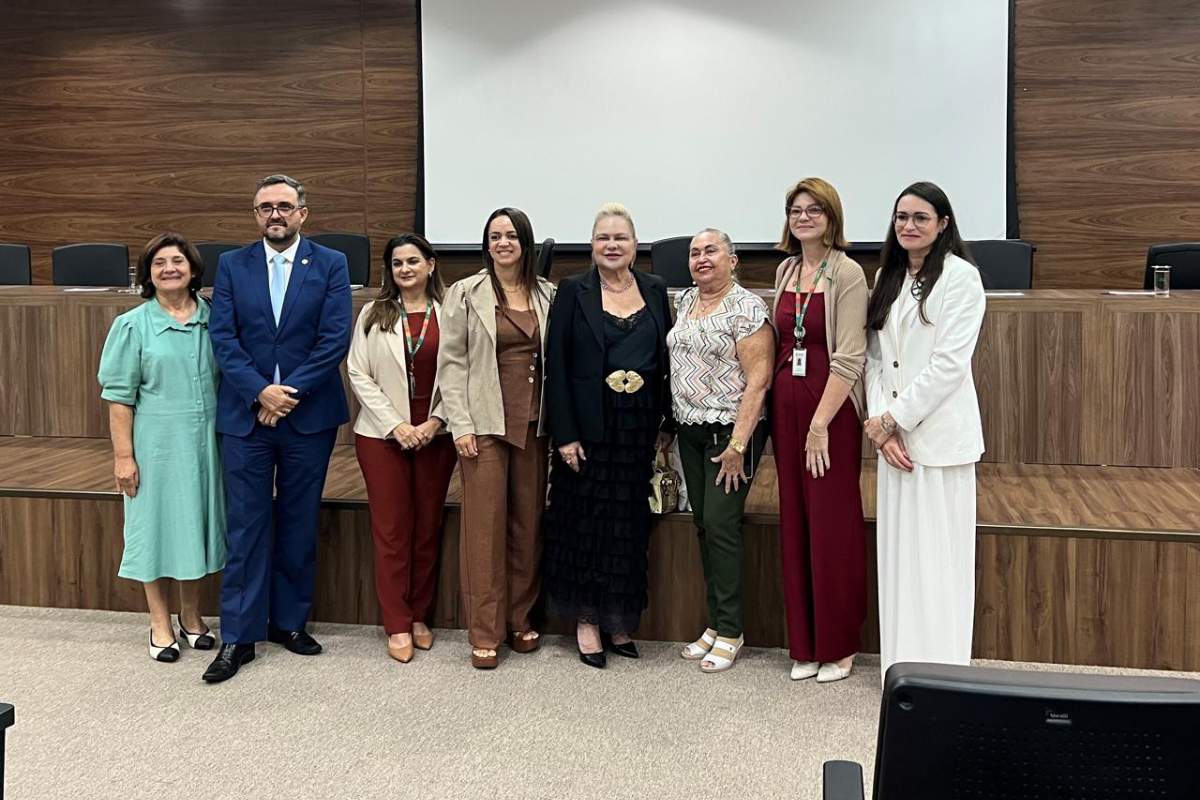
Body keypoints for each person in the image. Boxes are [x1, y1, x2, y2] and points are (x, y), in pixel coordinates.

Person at [203, 174, 353, 683]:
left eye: (284, 206)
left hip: (306, 416)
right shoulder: (231, 264)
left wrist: (286, 394)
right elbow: (223, 337)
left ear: (302, 214)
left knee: (297, 521)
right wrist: (258, 391)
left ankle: (289, 623)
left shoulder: (331, 263)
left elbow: (334, 339)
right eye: (265, 207)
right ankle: (238, 637)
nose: (275, 214)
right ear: (255, 214)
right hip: (246, 417)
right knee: (245, 527)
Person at [542, 203, 674, 669]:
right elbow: (556, 367)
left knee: (626, 527)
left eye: (620, 237)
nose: (612, 245)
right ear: (592, 245)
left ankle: (618, 617)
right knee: (584, 525)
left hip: (638, 427)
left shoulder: (656, 289)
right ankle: (585, 618)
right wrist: (565, 434)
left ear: (635, 245)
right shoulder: (573, 290)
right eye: (603, 238)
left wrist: (667, 422)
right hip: (587, 427)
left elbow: (668, 361)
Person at [864, 181, 986, 681]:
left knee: (938, 562)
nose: (908, 226)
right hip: (893, 443)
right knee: (900, 561)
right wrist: (880, 427)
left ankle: (943, 672)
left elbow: (949, 366)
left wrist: (895, 419)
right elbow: (874, 360)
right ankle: (902, 667)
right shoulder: (887, 277)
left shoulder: (961, 278)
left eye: (919, 217)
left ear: (943, 224)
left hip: (936, 441)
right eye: (901, 218)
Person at [97, 233, 225, 662]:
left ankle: (191, 614)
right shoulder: (132, 325)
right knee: (153, 530)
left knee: (194, 528)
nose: (169, 268)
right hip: (155, 446)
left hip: (206, 445)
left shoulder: (215, 318)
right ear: (148, 274)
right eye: (159, 263)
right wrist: (123, 457)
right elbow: (118, 398)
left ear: (193, 270)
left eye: (177, 261)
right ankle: (158, 621)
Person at [437, 207, 556, 669]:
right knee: (484, 531)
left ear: (525, 242)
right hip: (483, 425)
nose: (503, 242)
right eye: (494, 236)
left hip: (533, 425)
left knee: (528, 526)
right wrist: (460, 425)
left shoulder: (548, 293)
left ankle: (519, 619)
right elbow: (451, 364)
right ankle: (485, 631)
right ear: (486, 244)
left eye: (511, 235)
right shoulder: (465, 293)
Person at [770, 178, 868, 684]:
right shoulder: (787, 268)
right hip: (787, 410)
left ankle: (839, 644)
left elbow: (850, 358)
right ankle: (805, 643)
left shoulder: (847, 272)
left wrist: (819, 425)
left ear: (832, 217)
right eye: (795, 209)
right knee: (795, 523)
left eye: (814, 210)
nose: (803, 217)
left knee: (833, 525)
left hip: (828, 415)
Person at [669, 229, 773, 673]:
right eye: (694, 253)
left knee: (720, 523)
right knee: (702, 525)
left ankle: (731, 629)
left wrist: (737, 445)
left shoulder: (747, 307)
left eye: (711, 251)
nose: (701, 258)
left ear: (733, 260)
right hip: (689, 430)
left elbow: (760, 380)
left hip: (731, 432)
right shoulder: (684, 302)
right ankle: (714, 623)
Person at [348, 234, 456, 664]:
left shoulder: (451, 312)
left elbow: (463, 373)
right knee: (392, 530)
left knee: (427, 526)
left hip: (437, 434)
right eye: (397, 263)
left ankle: (418, 616)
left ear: (431, 265)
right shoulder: (375, 313)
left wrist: (435, 421)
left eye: (413, 261)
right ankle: (396, 621)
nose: (405, 269)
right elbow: (358, 372)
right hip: (381, 436)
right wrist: (397, 426)